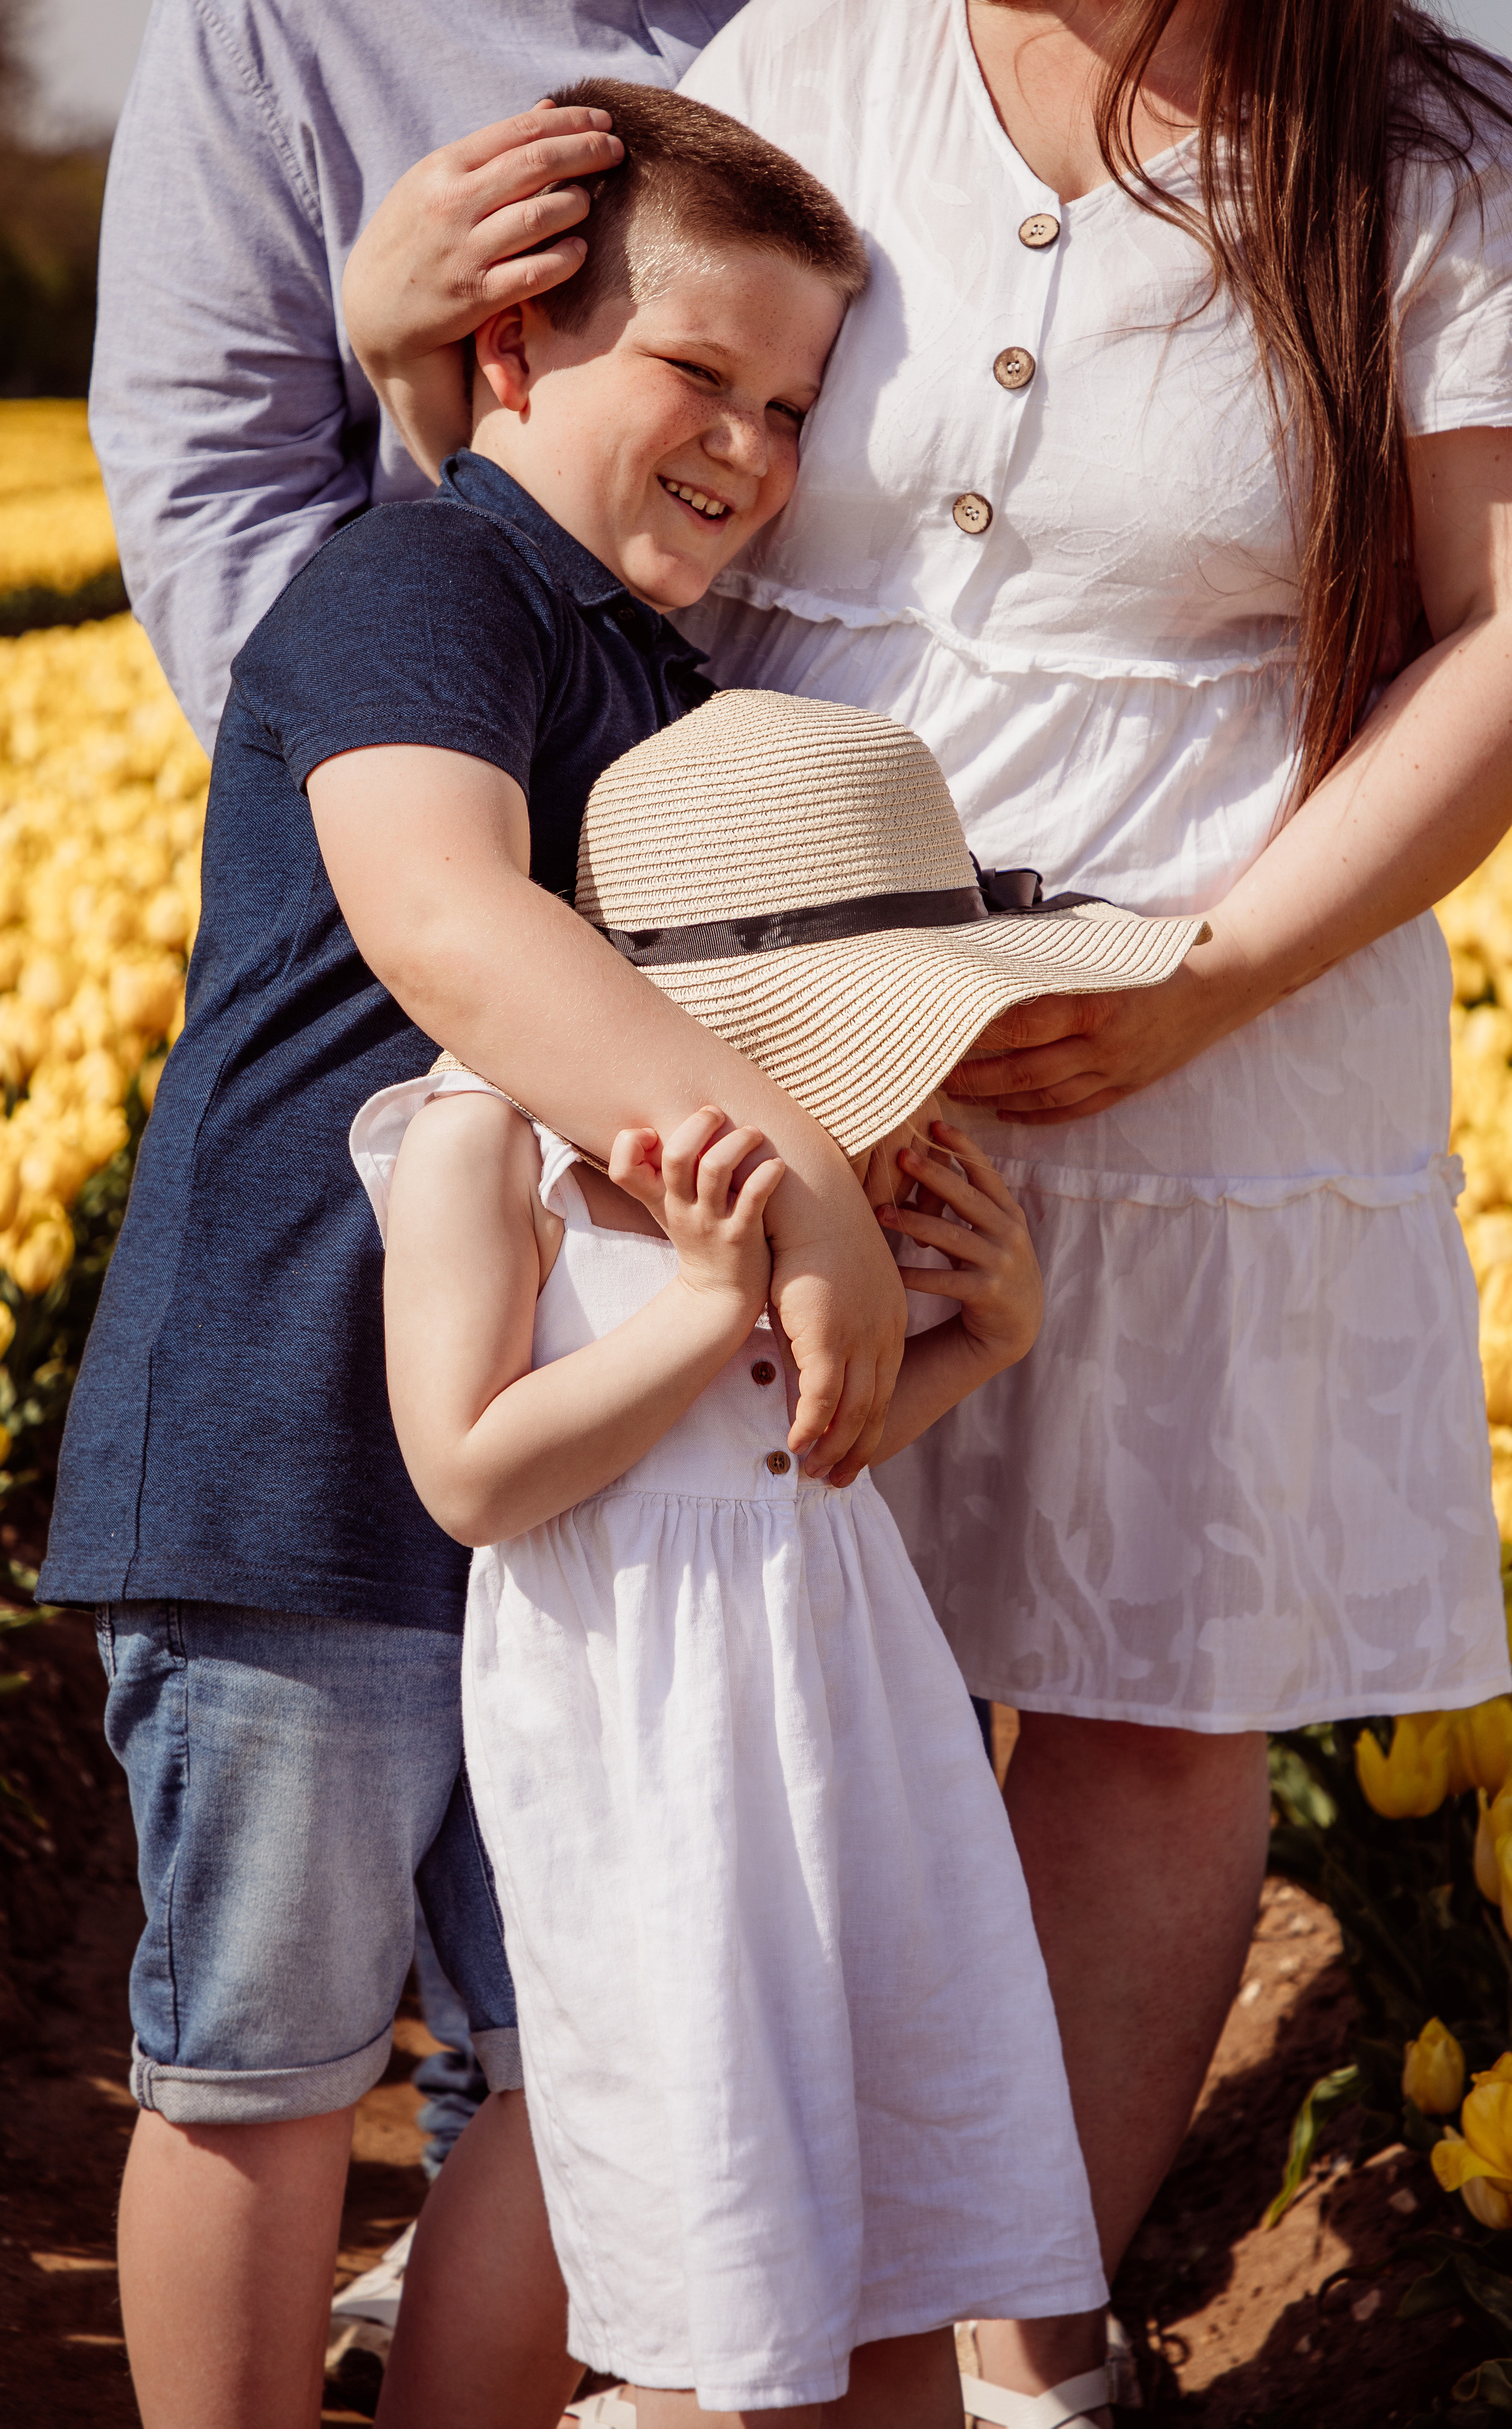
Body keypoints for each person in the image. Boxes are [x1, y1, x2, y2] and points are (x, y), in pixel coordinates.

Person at [338, 0, 1512, 2407]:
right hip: (751, 1001)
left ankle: (1003, 2348)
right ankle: (700, 2289)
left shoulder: (1417, 148)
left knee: (1140, 1701)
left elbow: (1505, 629)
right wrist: (393, 343)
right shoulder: (813, 52)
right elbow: (560, 429)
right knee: (744, 1665)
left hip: (1205, 1018)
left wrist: (1220, 974)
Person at [47, 75, 907, 2429]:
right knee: (264, 2064)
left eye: (794, 402)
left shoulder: (672, 685)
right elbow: (446, 916)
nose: (749, 443)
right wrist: (795, 1181)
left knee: (572, 2058)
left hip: (547, 1481)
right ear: (517, 348)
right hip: (289, 1454)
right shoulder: (423, 581)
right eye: (698, 374)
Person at [357, 689, 1204, 2427]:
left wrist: (990, 1339)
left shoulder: (801, 1173)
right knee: (692, 2177)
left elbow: (803, 1457)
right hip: (641, 1757)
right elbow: (469, 1477)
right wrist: (699, 1307)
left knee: (878, 2169)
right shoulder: (486, 1146)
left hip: (845, 1726)